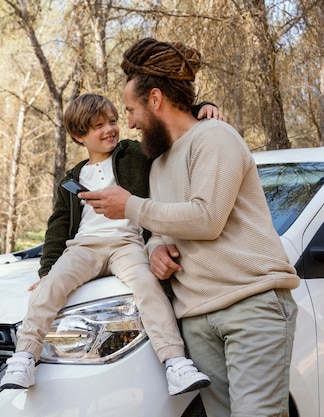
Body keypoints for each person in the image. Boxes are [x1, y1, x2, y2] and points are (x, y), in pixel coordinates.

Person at [80, 38, 300, 417]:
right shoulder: (160, 162)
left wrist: (129, 206)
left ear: (155, 99)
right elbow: (163, 228)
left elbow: (206, 218)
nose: (129, 122)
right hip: (196, 318)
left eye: (131, 110)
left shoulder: (214, 137)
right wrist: (156, 251)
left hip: (250, 305)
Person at [0, 93, 222, 395]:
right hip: (85, 247)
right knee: (50, 288)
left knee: (147, 286)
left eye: (114, 121)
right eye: (98, 126)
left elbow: (168, 131)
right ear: (80, 136)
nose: (110, 129)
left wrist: (199, 109)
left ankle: (175, 364)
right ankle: (24, 356)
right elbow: (58, 225)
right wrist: (47, 271)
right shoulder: (72, 178)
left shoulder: (133, 153)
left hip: (127, 244)